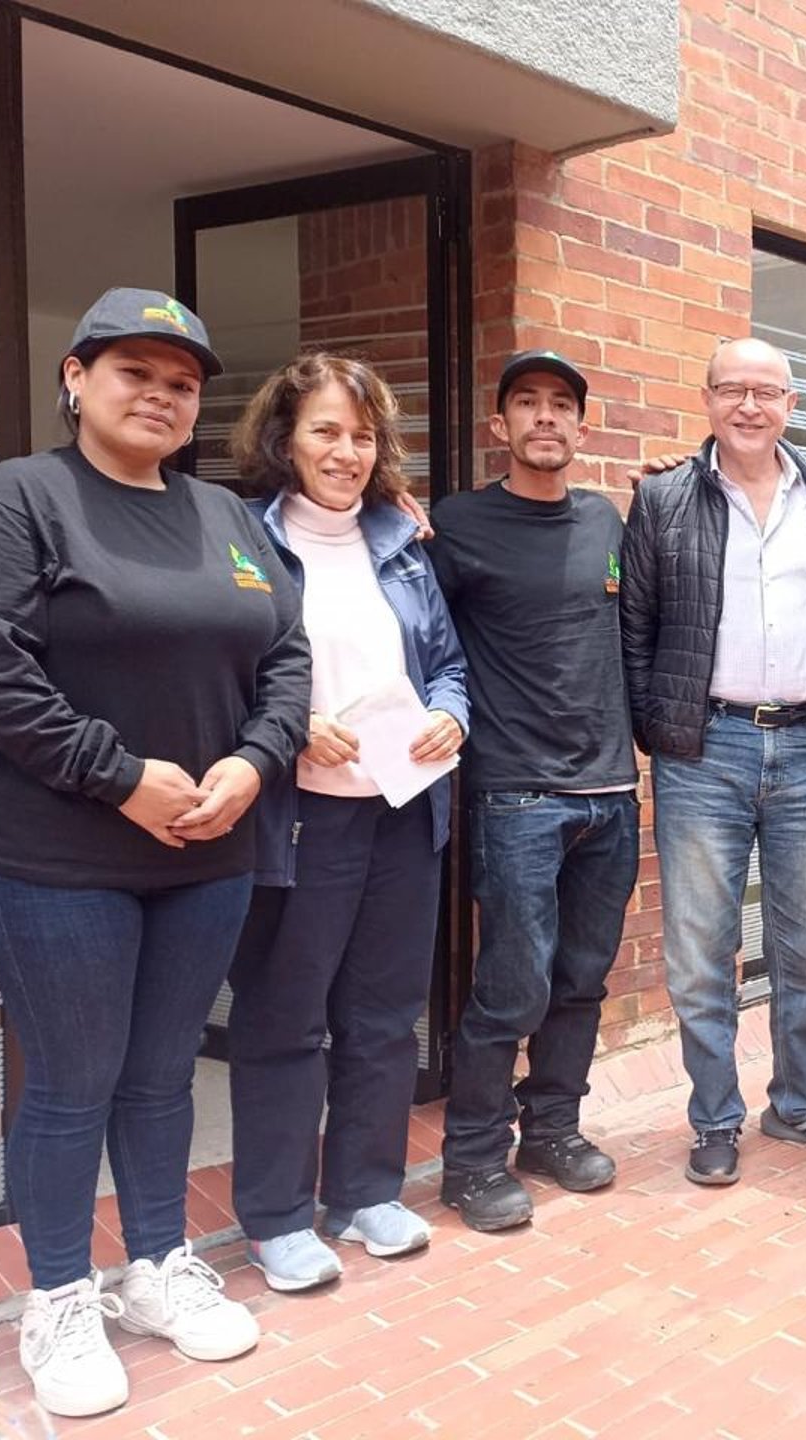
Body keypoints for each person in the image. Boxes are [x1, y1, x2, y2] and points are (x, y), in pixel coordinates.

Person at [0, 289, 310, 1417]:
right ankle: (58, 1295)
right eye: (133, 371)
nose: (159, 395)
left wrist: (255, 762)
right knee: (72, 1081)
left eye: (181, 382)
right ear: (76, 377)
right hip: (57, 859)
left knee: (160, 1076)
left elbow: (287, 656)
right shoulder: (20, 499)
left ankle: (155, 1267)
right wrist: (120, 777)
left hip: (206, 852)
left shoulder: (226, 517)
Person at [225, 354, 468, 1289]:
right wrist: (286, 729)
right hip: (299, 821)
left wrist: (454, 715)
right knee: (286, 1018)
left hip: (402, 812)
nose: (346, 451)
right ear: (285, 438)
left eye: (362, 435)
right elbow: (219, 672)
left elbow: (447, 663)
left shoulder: (400, 542)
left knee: (384, 1015)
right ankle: (277, 1218)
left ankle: (364, 1193)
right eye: (325, 430)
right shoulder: (242, 539)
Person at [620, 337, 806, 1186]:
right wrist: (660, 730)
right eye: (733, 389)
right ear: (707, 399)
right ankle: (715, 1118)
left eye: (767, 392)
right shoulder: (663, 498)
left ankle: (799, 1103)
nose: (750, 406)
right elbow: (636, 627)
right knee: (701, 951)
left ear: (792, 405)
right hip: (705, 749)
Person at [428, 350, 641, 1230]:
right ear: (500, 425)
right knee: (512, 987)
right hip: (515, 794)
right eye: (527, 403)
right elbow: (420, 634)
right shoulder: (455, 524)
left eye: (561, 404)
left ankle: (552, 1129)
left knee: (582, 980)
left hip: (613, 791)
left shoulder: (606, 521)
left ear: (582, 428)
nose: (545, 416)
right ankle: (472, 1160)